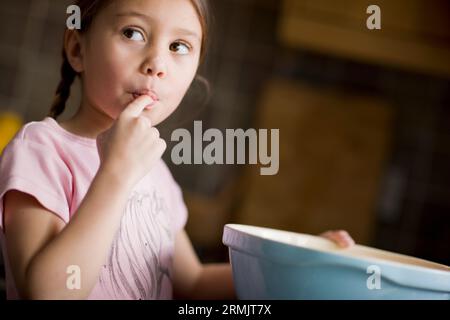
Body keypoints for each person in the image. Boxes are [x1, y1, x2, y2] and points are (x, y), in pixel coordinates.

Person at [0, 0, 355, 300]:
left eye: (179, 47)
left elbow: (194, 282)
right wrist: (116, 174)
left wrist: (294, 264)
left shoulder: (156, 174)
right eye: (132, 33)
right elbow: (47, 293)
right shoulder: (41, 149)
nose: (157, 63)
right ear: (78, 49)